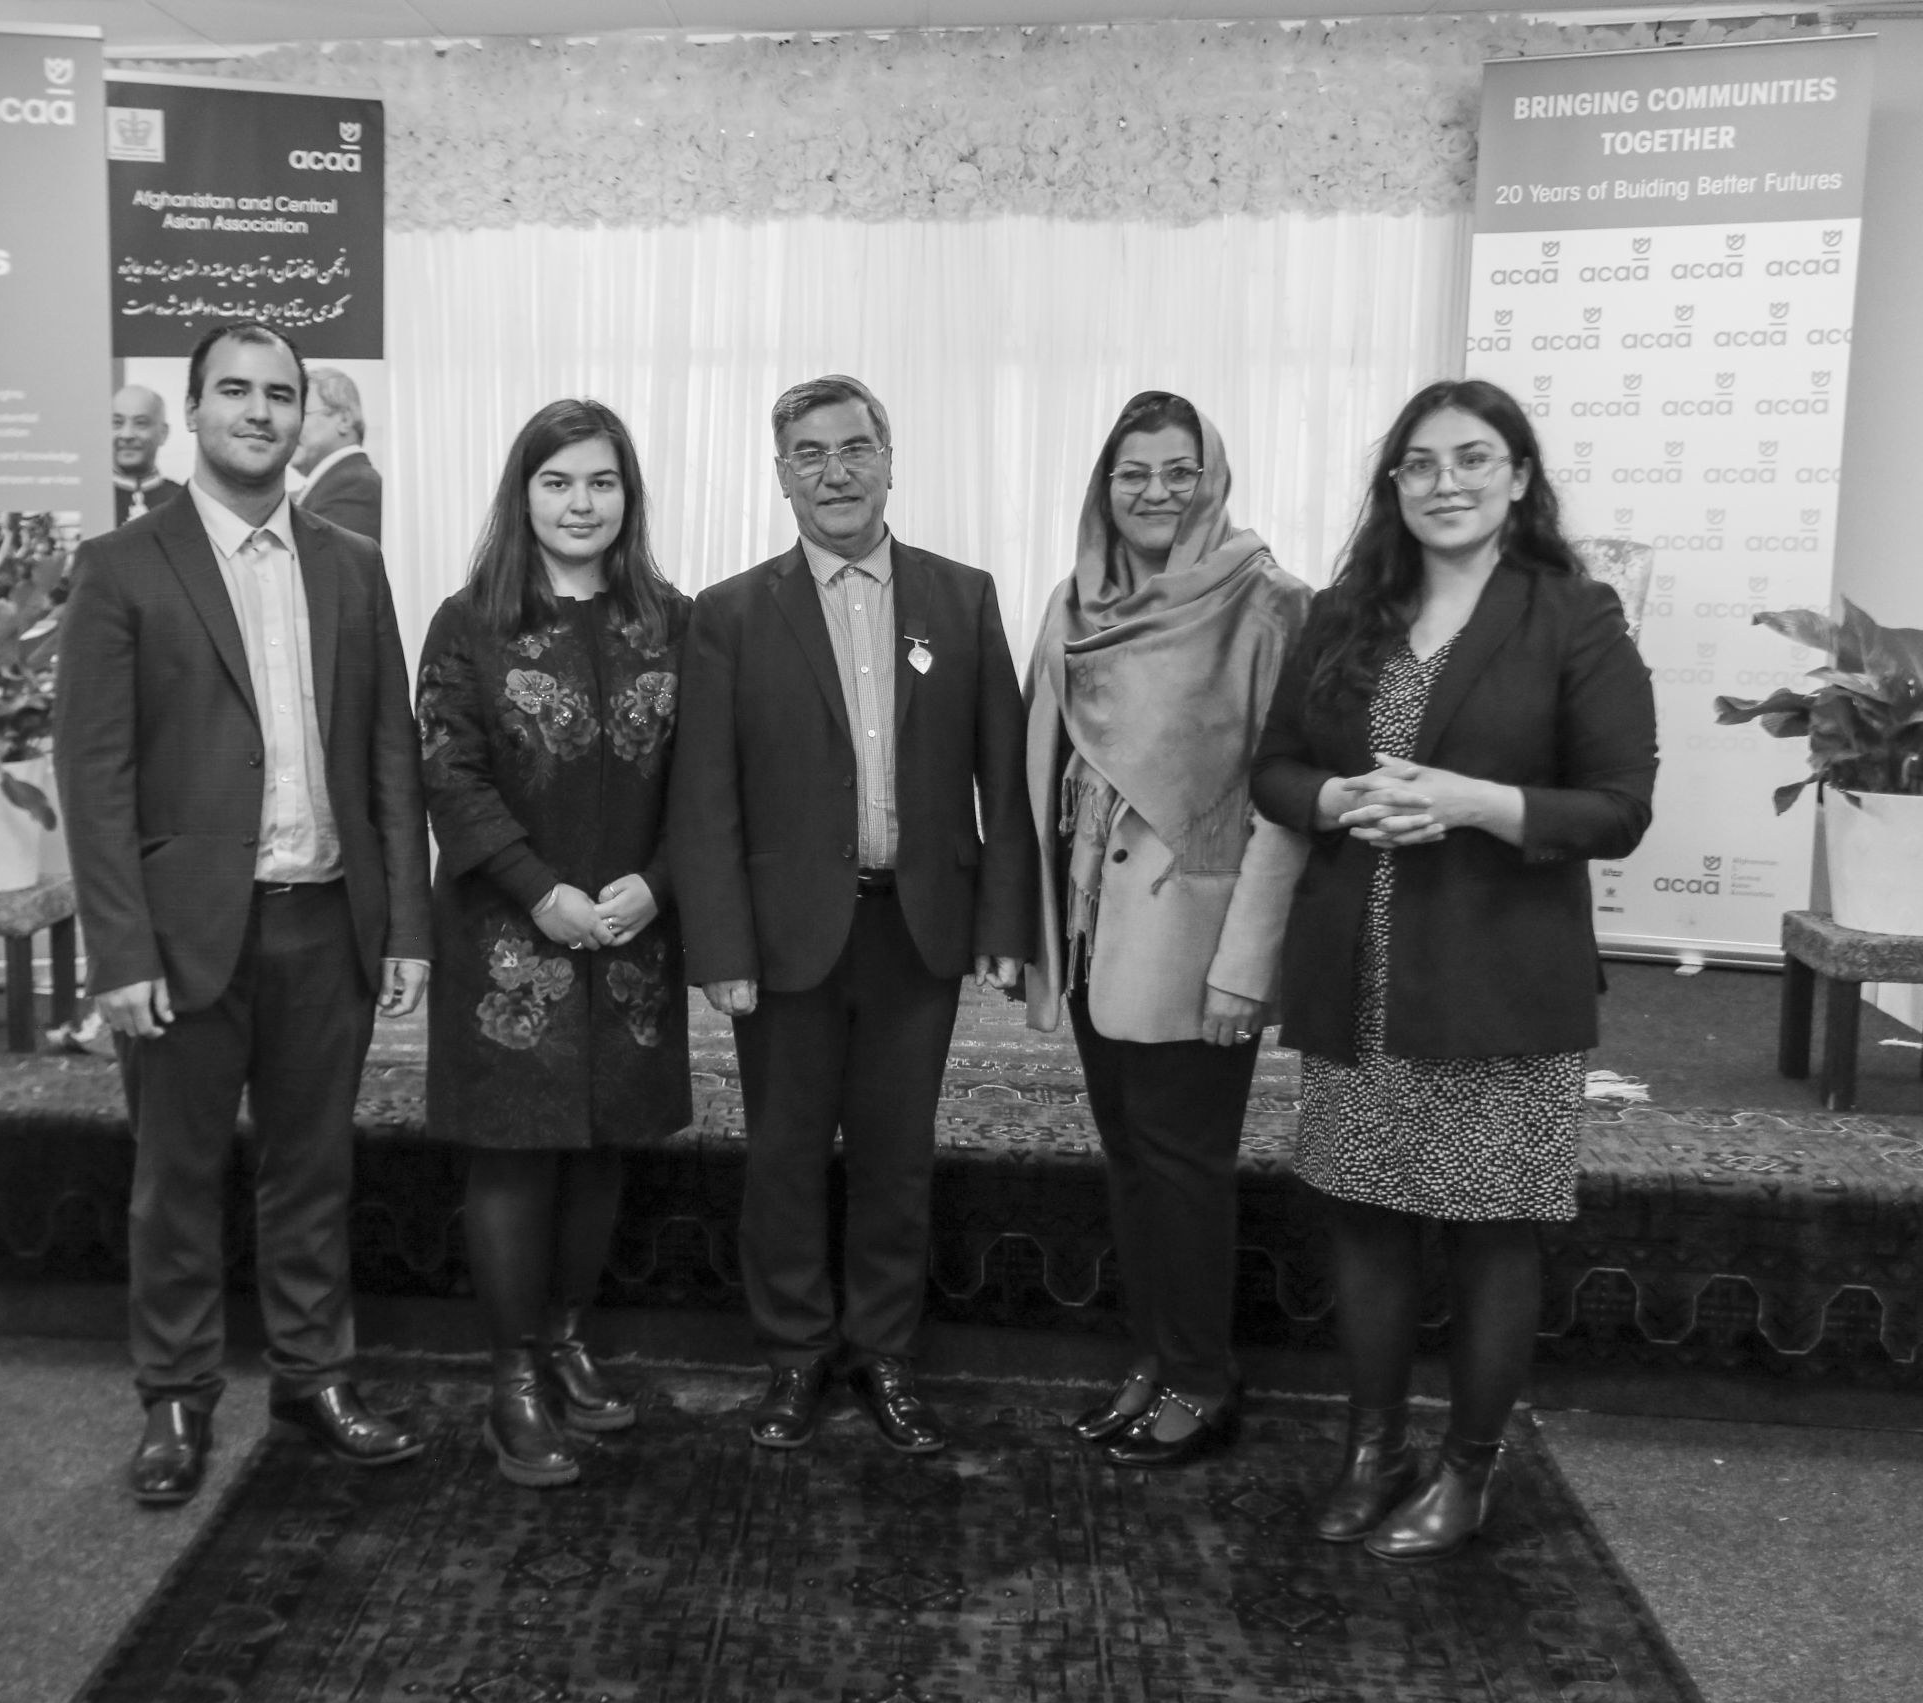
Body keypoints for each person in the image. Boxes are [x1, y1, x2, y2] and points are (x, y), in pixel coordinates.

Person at [1251, 378, 1654, 1561]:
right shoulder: (1343, 611)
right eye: (1419, 466)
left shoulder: (1572, 614)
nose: (1445, 485)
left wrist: (1477, 803)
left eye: (1473, 461)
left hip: (1496, 984)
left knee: (1489, 1235)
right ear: (1394, 487)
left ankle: (1468, 1471)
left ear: (1518, 477)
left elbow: (1619, 807)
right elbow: (1273, 768)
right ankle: (1371, 1450)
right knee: (1365, 1225)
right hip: (1357, 975)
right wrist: (1331, 797)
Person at [56, 320, 435, 1507]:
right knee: (175, 1179)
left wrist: (408, 926)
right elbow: (94, 776)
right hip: (180, 937)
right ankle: (174, 1398)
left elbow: (390, 756)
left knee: (313, 1171)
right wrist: (118, 949)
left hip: (326, 922)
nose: (260, 413)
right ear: (195, 409)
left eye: (280, 394)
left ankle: (315, 1377)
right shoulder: (122, 566)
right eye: (236, 392)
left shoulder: (348, 561)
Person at [669, 374, 1036, 1457]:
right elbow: (705, 797)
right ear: (780, 475)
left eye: (853, 449)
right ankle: (792, 1356)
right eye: (810, 455)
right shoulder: (729, 615)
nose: (835, 472)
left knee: (896, 1156)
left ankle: (884, 1354)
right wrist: (721, 945)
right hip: (783, 941)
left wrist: (1004, 927)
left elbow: (1001, 783)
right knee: (782, 1154)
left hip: (917, 931)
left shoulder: (961, 599)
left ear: (889, 459)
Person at [1021, 393, 1310, 1469]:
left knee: (1186, 1165)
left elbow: (1285, 802)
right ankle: (1152, 1351)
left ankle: (1201, 1376)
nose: (1153, 492)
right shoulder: (1078, 601)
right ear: (1106, 486)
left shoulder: (1269, 604)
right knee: (1131, 1161)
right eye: (1131, 472)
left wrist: (1249, 965)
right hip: (1097, 927)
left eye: (1176, 471)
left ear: (1211, 478)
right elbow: (1035, 764)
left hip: (1198, 939)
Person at [413, 398, 691, 1487]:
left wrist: (657, 887)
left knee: (601, 1154)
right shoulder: (467, 624)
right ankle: (512, 1377)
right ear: (521, 494)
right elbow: (449, 775)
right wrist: (541, 894)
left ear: (629, 497)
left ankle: (568, 1336)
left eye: (602, 482)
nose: (582, 504)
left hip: (632, 938)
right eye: (558, 481)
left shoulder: (671, 620)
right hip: (507, 942)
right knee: (517, 1159)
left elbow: (704, 784)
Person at [293, 367, 380, 541]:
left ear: (344, 420)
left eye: (302, 414)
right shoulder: (341, 483)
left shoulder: (355, 486)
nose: (291, 426)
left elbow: (324, 565)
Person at [111, 384, 187, 526]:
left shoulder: (183, 502)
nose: (127, 434)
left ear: (163, 433)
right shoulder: (90, 495)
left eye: (140, 423)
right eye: (117, 423)